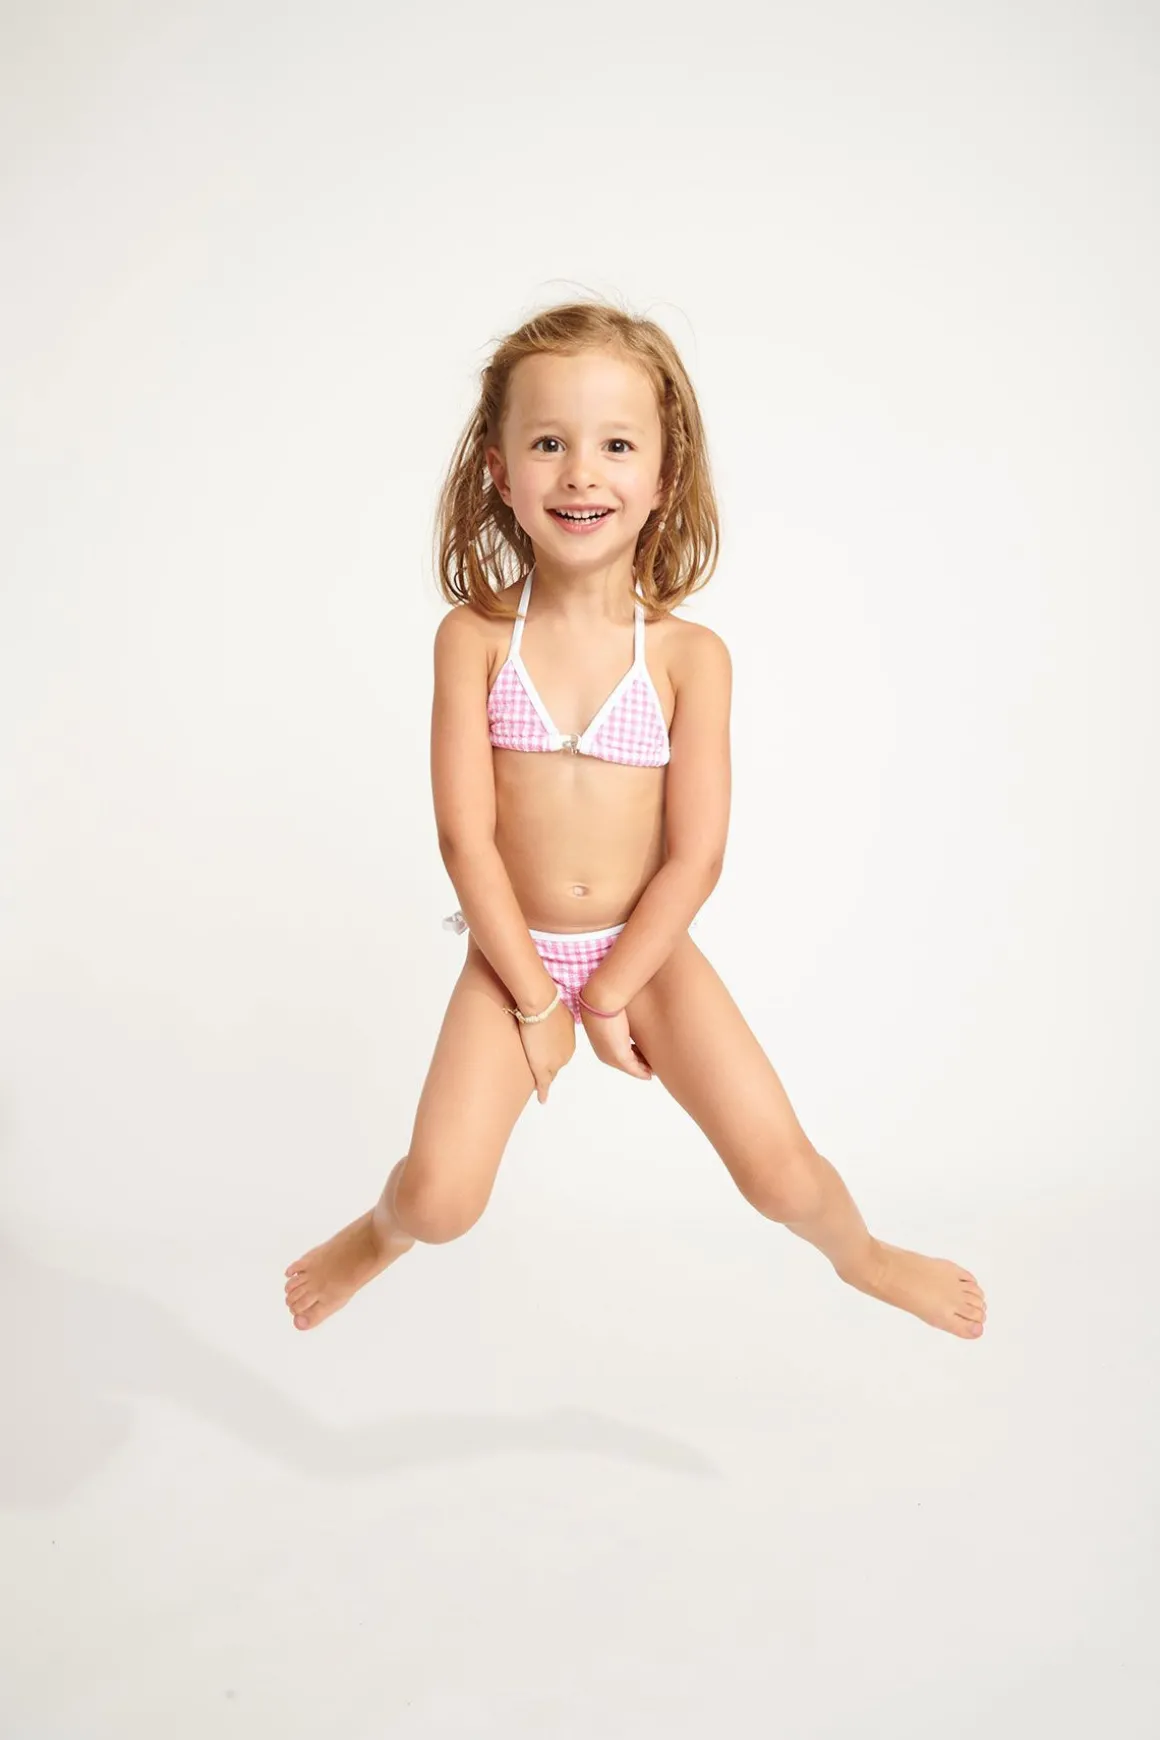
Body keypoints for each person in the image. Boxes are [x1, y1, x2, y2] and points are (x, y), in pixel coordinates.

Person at [283, 300, 987, 1341]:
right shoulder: (474, 639)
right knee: (440, 1198)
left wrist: (609, 992)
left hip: (643, 953)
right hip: (510, 953)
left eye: (615, 446)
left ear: (663, 476)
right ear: (498, 471)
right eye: (548, 444)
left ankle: (866, 1256)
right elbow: (464, 841)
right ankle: (379, 1232)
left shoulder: (688, 658)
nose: (581, 474)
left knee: (780, 1171)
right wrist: (536, 1002)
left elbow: (696, 857)